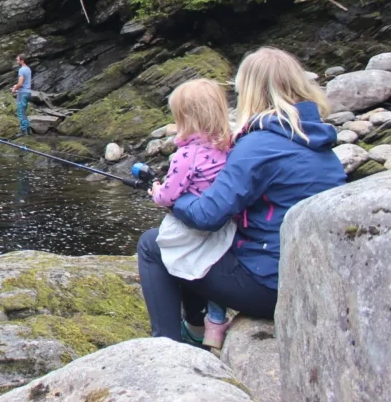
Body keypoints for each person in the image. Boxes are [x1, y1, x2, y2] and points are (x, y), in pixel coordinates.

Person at [136, 47, 346, 346]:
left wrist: (174, 200)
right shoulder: (315, 138)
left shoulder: (258, 146)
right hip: (310, 280)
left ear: (249, 91)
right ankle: (195, 327)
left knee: (152, 245)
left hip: (269, 287)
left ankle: (168, 349)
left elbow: (207, 217)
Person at [148, 79, 235, 348]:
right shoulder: (229, 146)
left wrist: (154, 191)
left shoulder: (185, 155)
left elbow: (169, 196)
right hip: (225, 229)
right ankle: (214, 323)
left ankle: (172, 339)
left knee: (158, 248)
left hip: (193, 227)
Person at [11, 54, 31, 135]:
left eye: (18, 60)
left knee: (20, 112)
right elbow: (24, 83)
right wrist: (16, 86)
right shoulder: (28, 69)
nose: (17, 61)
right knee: (24, 112)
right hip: (28, 92)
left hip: (22, 93)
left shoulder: (21, 70)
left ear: (22, 60)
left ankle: (23, 131)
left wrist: (14, 89)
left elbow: (20, 83)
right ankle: (28, 129)